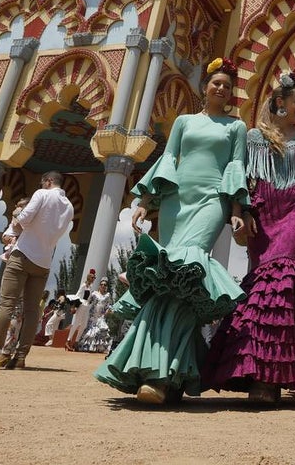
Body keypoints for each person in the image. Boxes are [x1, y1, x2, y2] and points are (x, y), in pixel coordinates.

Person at [95, 57, 248, 404]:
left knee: (189, 268)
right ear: (205, 87)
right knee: (168, 280)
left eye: (227, 86)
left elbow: (236, 166)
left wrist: (237, 210)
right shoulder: (184, 121)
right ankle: (173, 373)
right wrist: (145, 201)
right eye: (216, 83)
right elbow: (169, 159)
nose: (221, 88)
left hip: (212, 201)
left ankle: (159, 376)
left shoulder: (236, 127)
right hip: (176, 202)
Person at [204, 70, 295, 404]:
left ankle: (269, 380)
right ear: (280, 103)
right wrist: (243, 212)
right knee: (261, 289)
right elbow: (244, 179)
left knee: (281, 282)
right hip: (263, 216)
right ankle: (254, 371)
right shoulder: (254, 138)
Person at [0, 170, 74, 370]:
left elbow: (24, 219)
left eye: (42, 182)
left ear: (48, 181)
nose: (42, 185)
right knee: (32, 311)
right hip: (44, 261)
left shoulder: (42, 194)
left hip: (23, 254)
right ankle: (20, 357)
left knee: (6, 305)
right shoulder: (69, 206)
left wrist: (17, 217)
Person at [76, 278, 113, 353]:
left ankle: (98, 348)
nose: (103, 286)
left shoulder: (108, 295)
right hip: (92, 316)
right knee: (91, 332)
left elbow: (109, 305)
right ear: (99, 285)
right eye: (101, 284)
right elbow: (87, 301)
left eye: (105, 285)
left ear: (106, 286)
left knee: (100, 331)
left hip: (101, 316)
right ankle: (87, 347)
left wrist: (108, 311)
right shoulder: (94, 293)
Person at [66, 269, 96, 350]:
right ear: (89, 277)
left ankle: (76, 341)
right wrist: (73, 307)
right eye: (93, 277)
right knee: (76, 323)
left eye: (94, 277)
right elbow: (77, 295)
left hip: (87, 306)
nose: (94, 279)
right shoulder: (84, 285)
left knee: (84, 325)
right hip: (81, 305)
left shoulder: (91, 287)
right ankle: (68, 340)